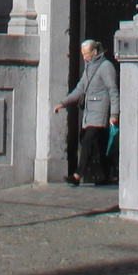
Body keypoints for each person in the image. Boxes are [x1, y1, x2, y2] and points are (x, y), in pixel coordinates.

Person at [53, 39, 116, 186]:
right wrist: (63, 103)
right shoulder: (88, 68)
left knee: (87, 141)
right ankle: (104, 176)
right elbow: (79, 90)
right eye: (83, 55)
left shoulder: (106, 67)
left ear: (95, 52)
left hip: (100, 113)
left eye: (86, 54)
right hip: (89, 114)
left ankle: (77, 175)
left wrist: (114, 115)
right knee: (95, 144)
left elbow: (113, 91)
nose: (84, 58)